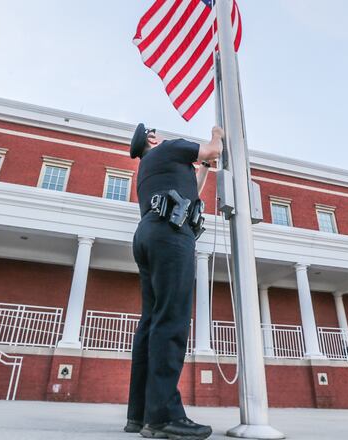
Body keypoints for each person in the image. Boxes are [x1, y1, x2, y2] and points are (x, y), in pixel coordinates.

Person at [124, 123, 223, 440]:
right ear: (152, 140)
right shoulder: (169, 148)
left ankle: (139, 416)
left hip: (148, 234)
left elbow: (193, 186)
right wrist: (217, 134)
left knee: (152, 320)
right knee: (172, 319)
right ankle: (164, 416)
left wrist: (205, 167)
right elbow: (212, 150)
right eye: (154, 131)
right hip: (171, 234)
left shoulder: (149, 171)